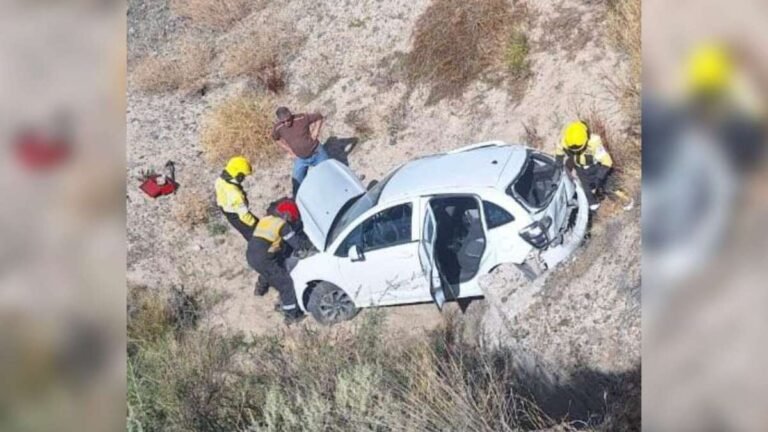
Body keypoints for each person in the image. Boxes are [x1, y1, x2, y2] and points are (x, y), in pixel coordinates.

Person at [246, 204, 305, 324]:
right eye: (291, 219)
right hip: (264, 258)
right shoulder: (282, 225)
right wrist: (307, 245)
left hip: (251, 254)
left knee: (270, 270)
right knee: (286, 284)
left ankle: (260, 289)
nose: (291, 222)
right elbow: (296, 243)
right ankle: (291, 315)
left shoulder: (266, 219)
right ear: (287, 215)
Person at [555, 121, 613, 211]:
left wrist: (598, 178)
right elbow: (559, 150)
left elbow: (607, 161)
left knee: (609, 186)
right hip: (580, 168)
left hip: (595, 166)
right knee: (587, 189)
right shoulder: (565, 141)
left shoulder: (594, 142)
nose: (576, 152)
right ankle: (594, 206)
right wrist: (558, 164)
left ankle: (621, 199)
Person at [271, 106, 329, 195]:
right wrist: (289, 150)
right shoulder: (278, 128)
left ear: (291, 115)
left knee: (329, 173)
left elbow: (319, 117)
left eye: (288, 120)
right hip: (301, 159)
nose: (287, 123)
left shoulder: (301, 118)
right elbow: (276, 139)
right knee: (296, 182)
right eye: (284, 121)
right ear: (280, 120)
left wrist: (316, 131)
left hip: (316, 153)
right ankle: (299, 203)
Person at [215, 156, 258, 240]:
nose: (244, 178)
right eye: (244, 176)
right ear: (239, 176)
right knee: (255, 236)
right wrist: (256, 225)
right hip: (238, 215)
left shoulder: (219, 180)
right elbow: (244, 216)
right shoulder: (236, 194)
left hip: (227, 210)